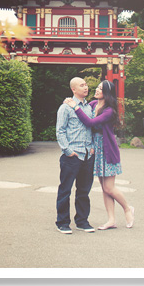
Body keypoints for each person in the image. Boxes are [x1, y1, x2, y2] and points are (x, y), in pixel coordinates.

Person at [64, 80, 136, 230]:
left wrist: (75, 107)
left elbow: (90, 123)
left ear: (107, 93)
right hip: (96, 149)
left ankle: (127, 208)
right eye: (97, 87)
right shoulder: (92, 105)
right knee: (104, 187)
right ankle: (111, 220)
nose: (96, 90)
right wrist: (71, 103)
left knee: (109, 187)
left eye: (100, 89)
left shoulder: (109, 110)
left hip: (107, 149)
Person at [55, 76, 95, 234]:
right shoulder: (65, 108)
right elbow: (60, 130)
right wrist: (67, 150)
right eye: (82, 85)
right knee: (65, 190)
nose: (86, 87)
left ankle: (82, 221)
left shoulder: (89, 107)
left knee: (84, 190)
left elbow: (91, 128)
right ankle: (62, 222)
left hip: (87, 155)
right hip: (72, 156)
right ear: (74, 89)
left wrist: (91, 148)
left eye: (86, 85)